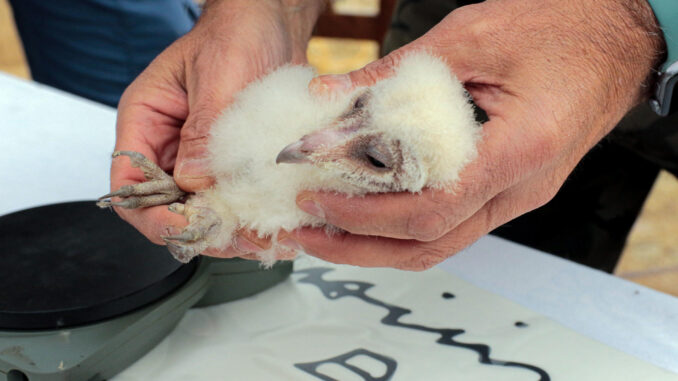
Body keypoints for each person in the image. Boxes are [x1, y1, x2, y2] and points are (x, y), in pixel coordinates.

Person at [21, 0, 673, 272]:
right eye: (359, 100)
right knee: (491, 268)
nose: (309, 142)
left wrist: (634, 18)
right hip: (470, 29)